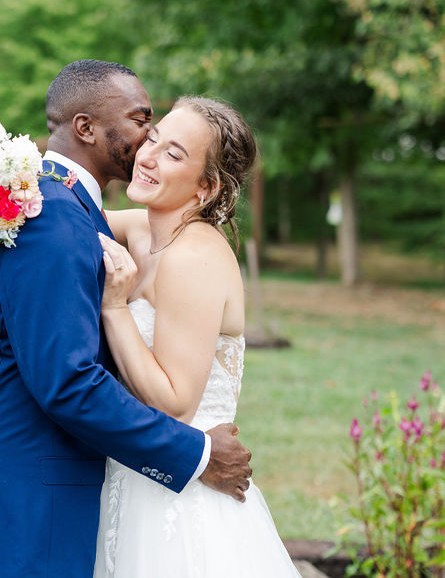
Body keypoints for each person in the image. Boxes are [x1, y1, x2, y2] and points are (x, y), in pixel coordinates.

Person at [0, 62, 253, 578]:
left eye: (169, 145)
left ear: (206, 187)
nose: (148, 141)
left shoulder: (64, 208)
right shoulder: (52, 213)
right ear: (85, 128)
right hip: (25, 504)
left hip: (107, 497)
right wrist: (196, 455)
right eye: (144, 123)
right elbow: (66, 382)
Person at [94, 96, 301, 577]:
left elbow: (175, 403)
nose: (147, 156)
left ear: (205, 187)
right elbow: (75, 221)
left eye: (174, 154)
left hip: (184, 502)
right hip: (133, 474)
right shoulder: (146, 231)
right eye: (154, 138)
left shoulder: (195, 258)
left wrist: (114, 306)